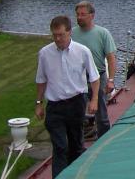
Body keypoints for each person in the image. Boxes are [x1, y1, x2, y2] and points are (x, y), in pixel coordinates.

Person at [36, 15, 99, 178]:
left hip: (76, 103)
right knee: (60, 146)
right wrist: (38, 103)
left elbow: (94, 77)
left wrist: (94, 100)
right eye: (54, 35)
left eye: (61, 35)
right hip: (55, 107)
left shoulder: (82, 51)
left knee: (76, 145)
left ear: (69, 32)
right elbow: (41, 80)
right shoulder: (44, 54)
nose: (57, 39)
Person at [72, 0, 117, 138]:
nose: (79, 17)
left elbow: (111, 58)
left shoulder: (103, 33)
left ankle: (103, 138)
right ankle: (77, 143)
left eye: (83, 14)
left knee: (101, 111)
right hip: (78, 78)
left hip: (98, 76)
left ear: (92, 15)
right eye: (77, 14)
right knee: (76, 112)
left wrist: (110, 80)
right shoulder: (72, 34)